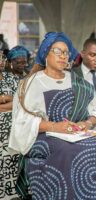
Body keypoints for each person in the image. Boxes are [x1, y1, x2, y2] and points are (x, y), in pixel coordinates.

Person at [9, 32, 96, 199]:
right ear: (45, 54)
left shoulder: (80, 83)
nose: (63, 56)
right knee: (65, 149)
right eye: (57, 51)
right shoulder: (30, 83)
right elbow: (22, 121)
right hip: (44, 135)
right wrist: (56, 127)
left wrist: (87, 124)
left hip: (76, 133)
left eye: (66, 52)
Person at [0, 50, 20, 199]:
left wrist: (5, 99)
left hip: (15, 119)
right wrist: (10, 101)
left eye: (2, 57)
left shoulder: (11, 77)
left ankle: (15, 190)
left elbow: (23, 100)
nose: (1, 60)